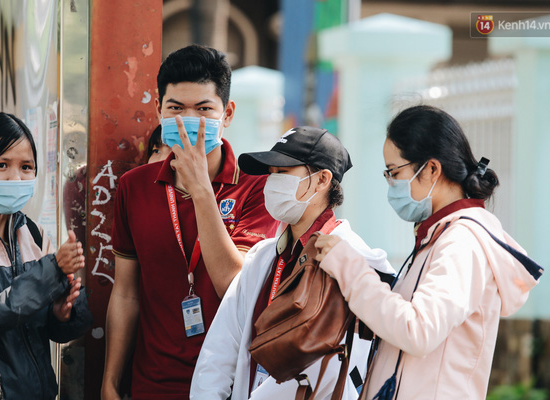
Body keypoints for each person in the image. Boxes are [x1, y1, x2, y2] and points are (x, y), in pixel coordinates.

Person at [314, 105, 543, 399]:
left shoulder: (462, 242)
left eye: (394, 172)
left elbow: (418, 331)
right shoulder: (438, 236)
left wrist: (349, 268)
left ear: (432, 169)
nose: (391, 183)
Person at [101, 44, 278, 399]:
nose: (187, 120)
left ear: (227, 114)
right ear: (159, 111)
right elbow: (125, 293)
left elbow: (234, 285)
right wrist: (111, 382)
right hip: (151, 383)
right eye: (176, 109)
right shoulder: (135, 186)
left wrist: (200, 188)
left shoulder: (258, 188)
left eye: (203, 109)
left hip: (227, 384)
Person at [190, 126, 395, 400]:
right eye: (270, 173)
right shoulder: (262, 258)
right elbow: (219, 350)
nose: (271, 182)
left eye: (283, 172)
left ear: (322, 179)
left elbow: (338, 367)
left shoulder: (356, 260)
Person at [0, 112, 93, 400]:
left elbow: (53, 331)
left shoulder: (35, 234)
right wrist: (53, 270)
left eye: (26, 167)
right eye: (1, 165)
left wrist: (62, 313)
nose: (16, 177)